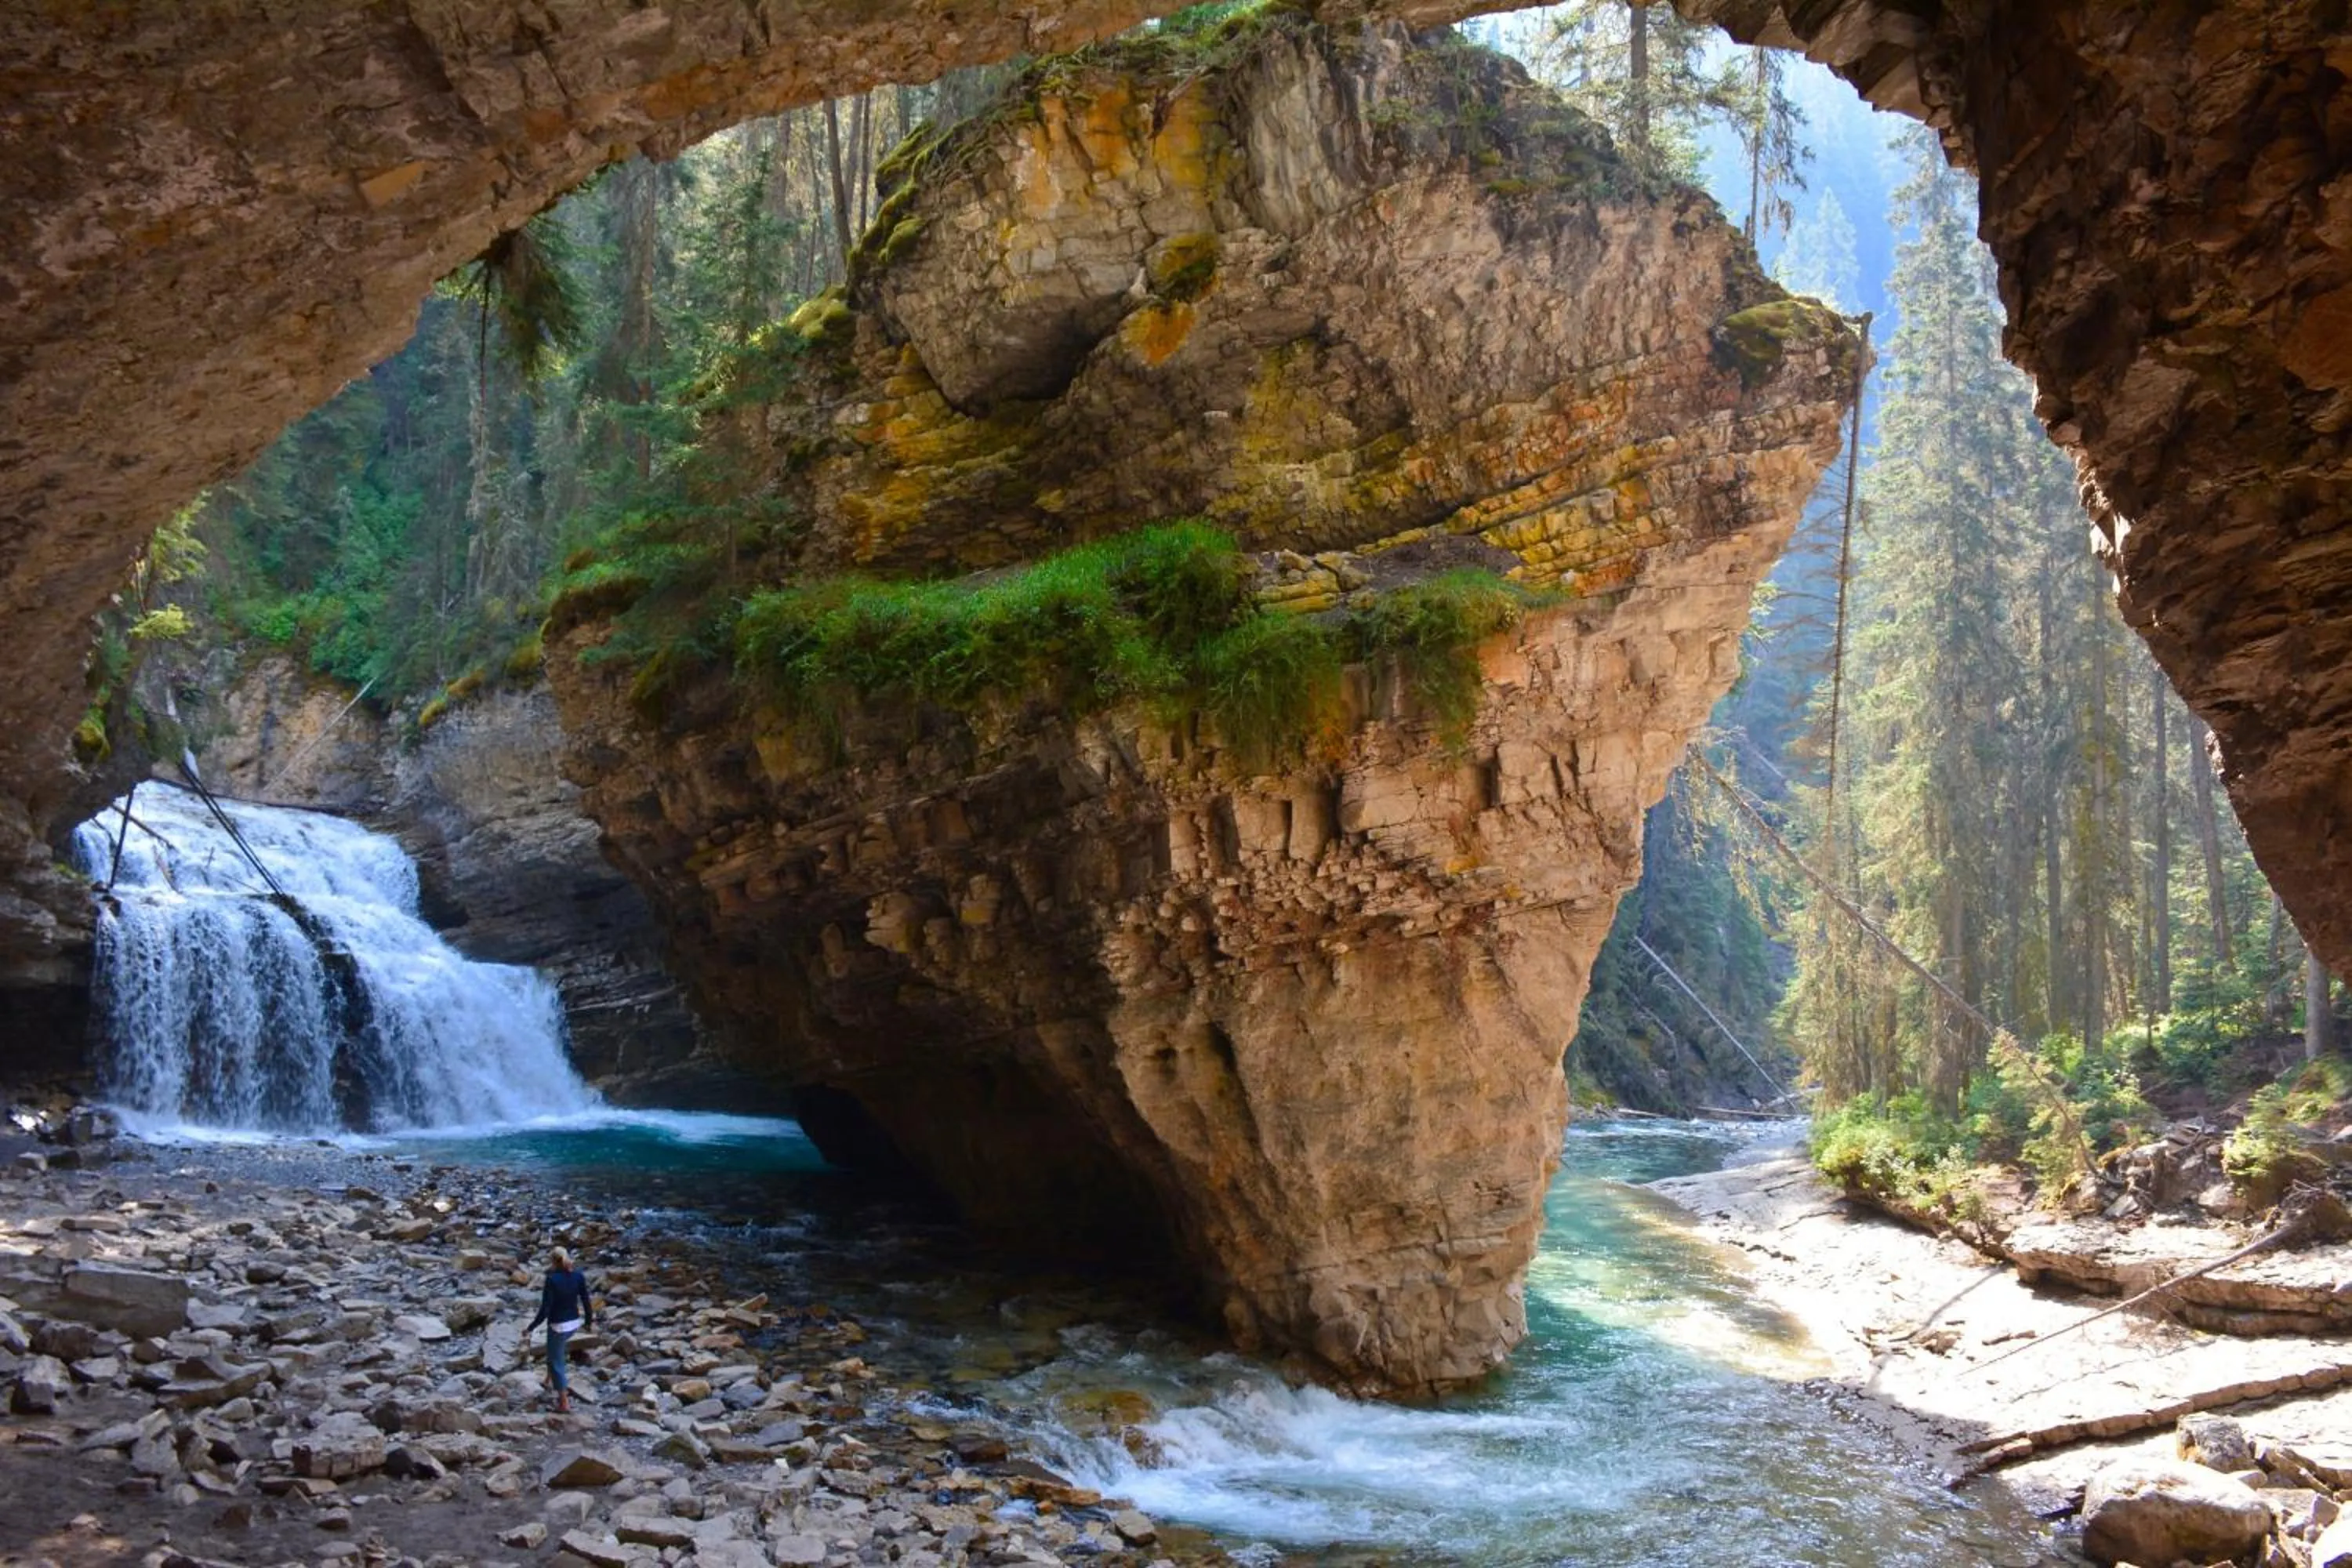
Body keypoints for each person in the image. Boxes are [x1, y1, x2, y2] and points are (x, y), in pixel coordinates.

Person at [524, 1244, 593, 1413]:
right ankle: (548, 1380)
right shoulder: (578, 1276)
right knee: (554, 1351)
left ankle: (564, 1403)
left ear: (553, 1262)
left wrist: (531, 1327)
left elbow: (545, 1309)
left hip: (558, 1325)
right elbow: (586, 1301)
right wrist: (588, 1322)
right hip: (574, 1323)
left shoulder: (552, 1279)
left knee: (557, 1362)